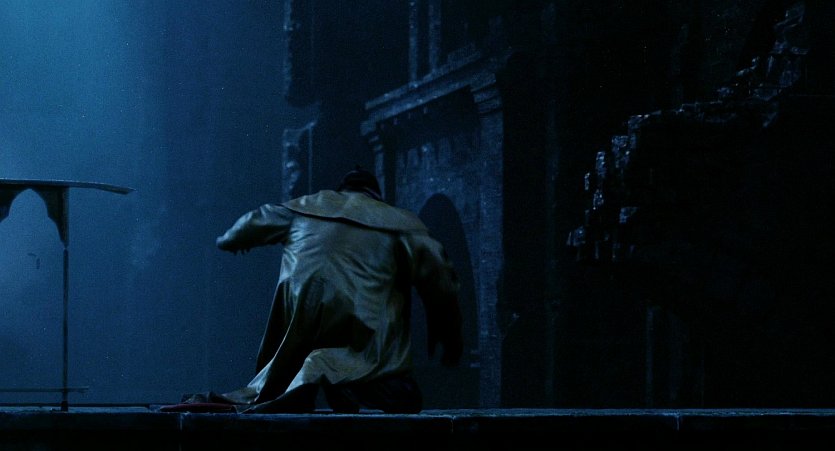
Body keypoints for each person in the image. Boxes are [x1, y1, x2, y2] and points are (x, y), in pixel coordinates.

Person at [171, 166, 462, 414]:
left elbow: (252, 222)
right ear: (375, 195)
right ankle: (345, 378)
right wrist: (449, 333)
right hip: (361, 327)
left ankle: (312, 376)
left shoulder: (305, 208)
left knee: (294, 362)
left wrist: (228, 240)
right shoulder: (400, 224)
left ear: (341, 190)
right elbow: (441, 279)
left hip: (302, 320)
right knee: (404, 395)